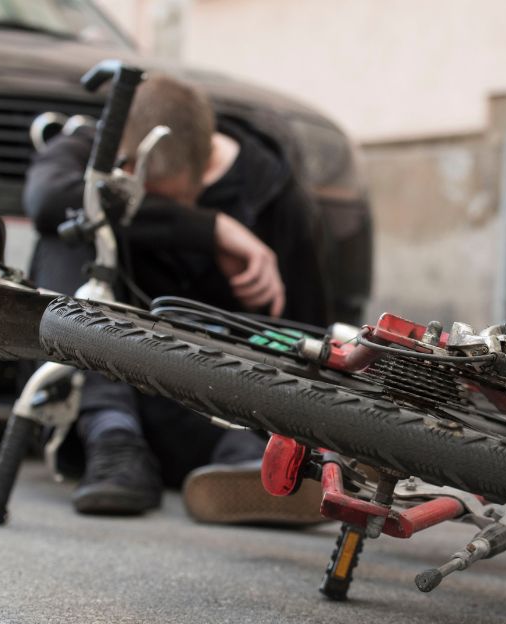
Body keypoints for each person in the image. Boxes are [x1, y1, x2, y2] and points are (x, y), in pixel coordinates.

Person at [24, 74, 330, 518]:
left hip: (202, 396)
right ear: (128, 162)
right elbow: (45, 200)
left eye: (176, 199)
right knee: (71, 228)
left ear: (206, 164)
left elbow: (310, 329)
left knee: (235, 387)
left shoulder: (274, 197)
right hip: (97, 395)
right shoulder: (92, 149)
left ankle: (247, 461)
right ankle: (115, 439)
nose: (157, 207)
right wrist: (211, 230)